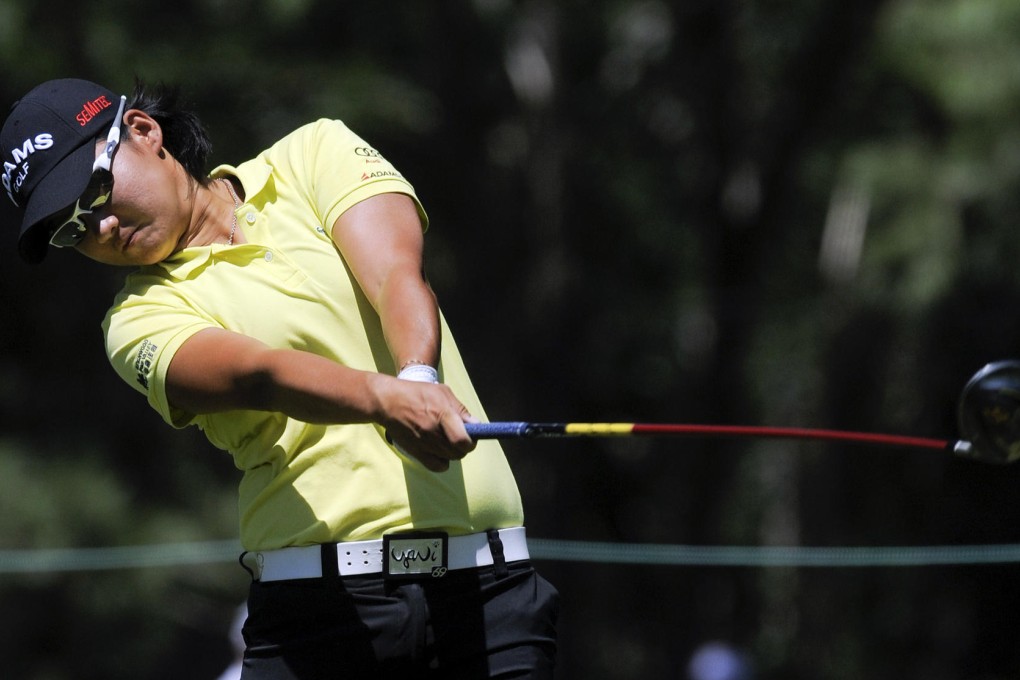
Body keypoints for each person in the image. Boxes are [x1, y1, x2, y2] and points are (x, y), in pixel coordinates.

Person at [2, 78, 558, 678]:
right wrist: (385, 399)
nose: (101, 229)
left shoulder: (313, 154)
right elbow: (257, 375)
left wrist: (417, 376)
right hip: (319, 621)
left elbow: (396, 273)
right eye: (73, 229)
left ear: (142, 131)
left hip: (490, 598)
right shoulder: (135, 322)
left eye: (96, 190)